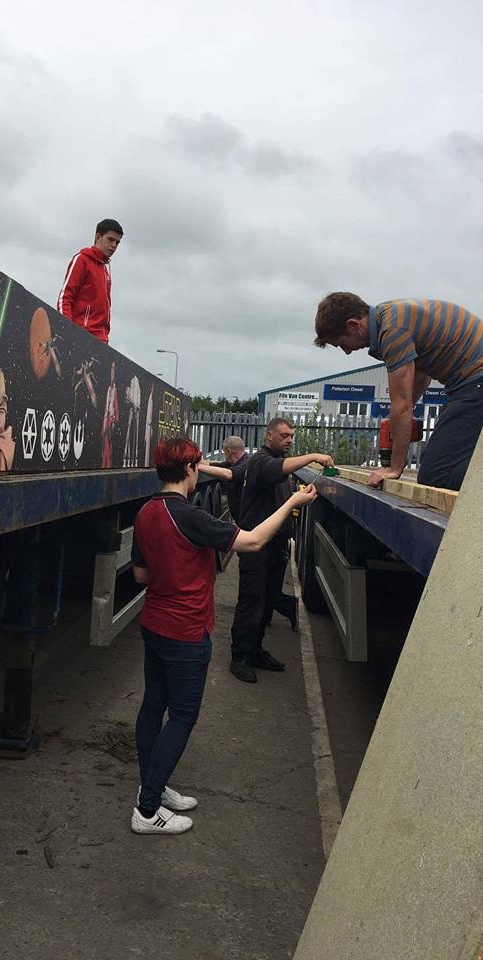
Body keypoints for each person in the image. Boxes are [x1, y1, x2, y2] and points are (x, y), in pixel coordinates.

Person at [130, 436, 317, 834]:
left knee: (153, 706)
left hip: (155, 624)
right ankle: (146, 811)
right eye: (196, 467)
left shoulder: (146, 512)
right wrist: (291, 503)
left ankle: (153, 785)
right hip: (185, 631)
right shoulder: (191, 516)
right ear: (187, 470)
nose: (197, 473)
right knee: (183, 717)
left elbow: (141, 575)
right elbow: (253, 541)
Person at [200, 418, 333, 683]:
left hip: (275, 545)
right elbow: (276, 469)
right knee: (252, 602)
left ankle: (255, 650)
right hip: (256, 548)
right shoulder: (260, 461)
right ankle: (240, 656)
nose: (289, 439)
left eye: (292, 435)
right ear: (269, 435)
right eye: (284, 435)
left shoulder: (275, 462)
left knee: (267, 601)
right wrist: (313, 456)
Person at [314, 293, 483, 490]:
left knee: (437, 475)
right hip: (470, 383)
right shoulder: (390, 316)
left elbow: (402, 406)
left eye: (342, 343)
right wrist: (396, 419)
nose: (347, 351)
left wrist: (394, 468)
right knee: (446, 462)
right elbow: (420, 377)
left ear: (353, 325)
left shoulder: (393, 331)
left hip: (475, 382)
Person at [57, 219, 123, 344]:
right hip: (80, 335)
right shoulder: (81, 260)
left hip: (101, 341)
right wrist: (67, 330)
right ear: (98, 237)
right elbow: (65, 297)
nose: (114, 245)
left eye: (117, 242)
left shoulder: (105, 270)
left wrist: (105, 337)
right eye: (110, 240)